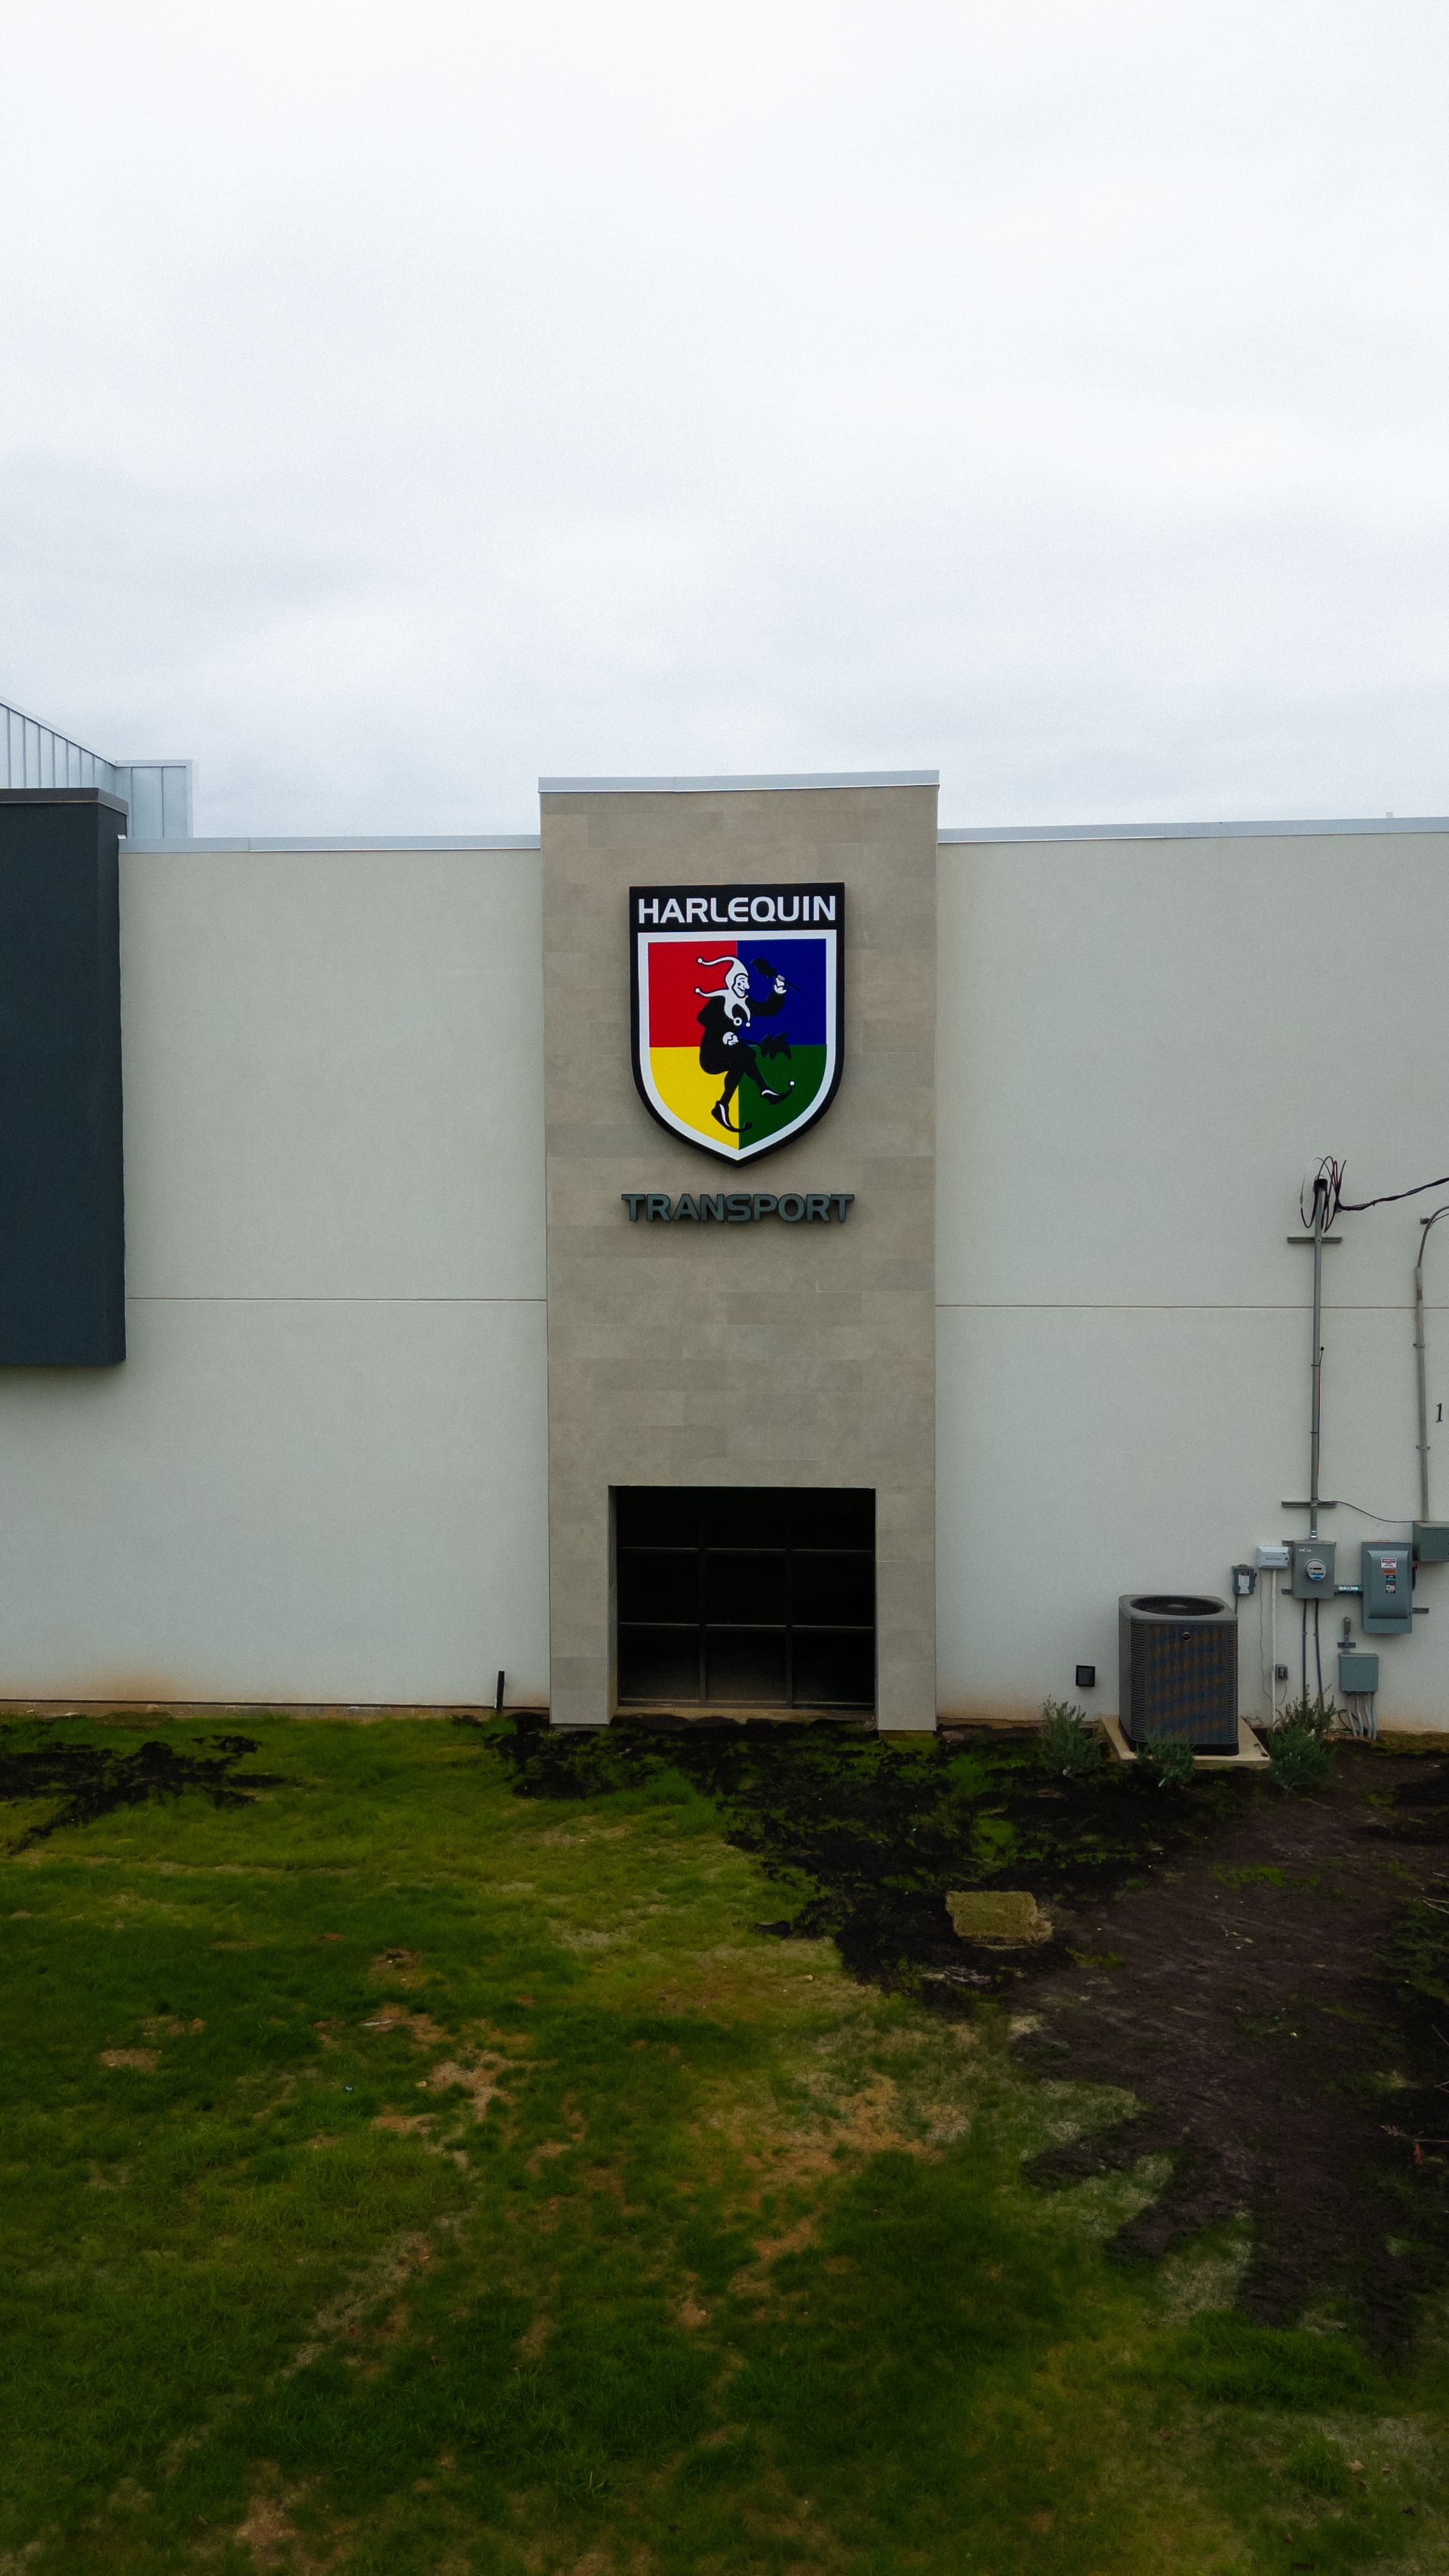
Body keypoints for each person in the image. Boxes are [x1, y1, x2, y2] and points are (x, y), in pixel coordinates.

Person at [693, 957, 793, 1134]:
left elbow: (767, 1010)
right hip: (711, 1054)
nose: (745, 986)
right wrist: (722, 1034)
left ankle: (724, 1104)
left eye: (747, 982)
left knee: (744, 1058)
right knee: (745, 1054)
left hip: (730, 1051)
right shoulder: (720, 1000)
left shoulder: (745, 1002)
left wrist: (777, 992)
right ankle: (763, 1091)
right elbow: (702, 1018)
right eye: (741, 982)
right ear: (732, 983)